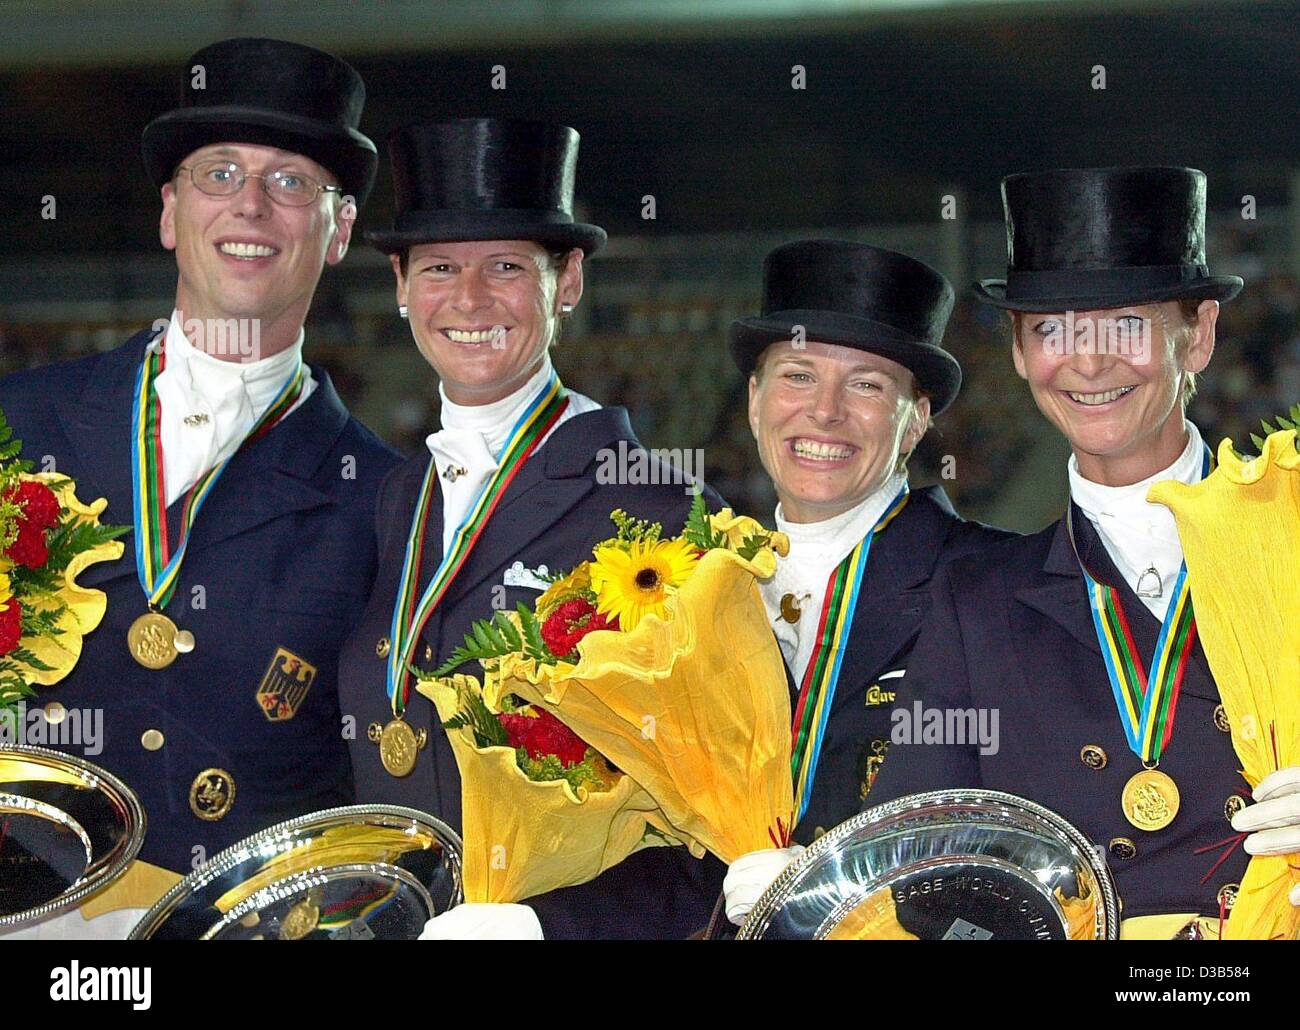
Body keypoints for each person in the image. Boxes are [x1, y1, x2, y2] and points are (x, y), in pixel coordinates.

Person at [0, 38, 400, 938]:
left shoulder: (388, 499)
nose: (250, 204)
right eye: (218, 173)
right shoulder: (17, 423)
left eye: (291, 180)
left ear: (337, 232)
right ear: (172, 213)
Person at [871, 166, 1300, 937]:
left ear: (1197, 335)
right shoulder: (973, 599)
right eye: (1052, 328)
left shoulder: (1292, 538)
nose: (1089, 361)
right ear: (1017, 350)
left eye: (1127, 325)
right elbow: (918, 869)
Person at [337, 117, 725, 939]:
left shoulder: (660, 515)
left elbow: (716, 831)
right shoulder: (394, 500)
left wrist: (546, 926)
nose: (469, 299)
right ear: (402, 284)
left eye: (506, 267)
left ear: (569, 280)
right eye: (440, 267)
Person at [716, 239, 1010, 927]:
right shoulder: (694, 593)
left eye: (868, 385)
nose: (824, 412)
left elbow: (1025, 848)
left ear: (917, 419)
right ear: (755, 401)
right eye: (796, 376)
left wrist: (846, 893)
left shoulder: (996, 587)